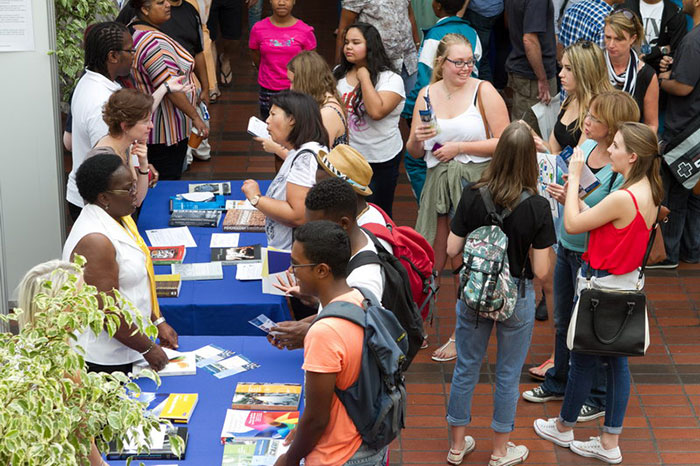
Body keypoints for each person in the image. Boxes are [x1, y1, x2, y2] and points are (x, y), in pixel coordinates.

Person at [534, 122, 662, 465]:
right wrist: (575, 200)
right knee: (610, 363)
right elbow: (600, 222)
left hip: (601, 286)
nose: (611, 150)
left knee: (586, 358)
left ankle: (572, 429)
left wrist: (574, 176)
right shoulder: (646, 188)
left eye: (617, 146)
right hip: (623, 284)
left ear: (632, 157)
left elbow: (573, 225)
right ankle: (603, 438)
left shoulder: (624, 195)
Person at [523, 91, 640, 423]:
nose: (586, 122)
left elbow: (604, 219)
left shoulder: (619, 171)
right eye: (587, 114)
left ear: (613, 126)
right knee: (562, 322)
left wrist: (571, 196)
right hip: (568, 245)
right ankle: (558, 380)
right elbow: (575, 189)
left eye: (595, 118)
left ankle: (597, 396)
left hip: (592, 256)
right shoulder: (585, 147)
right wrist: (564, 187)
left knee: (590, 331)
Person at [445, 121, 556, 466]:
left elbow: (451, 248)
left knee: (466, 367)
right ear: (529, 161)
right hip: (517, 296)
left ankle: (456, 446)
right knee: (507, 375)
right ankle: (499, 450)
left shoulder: (473, 194)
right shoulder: (537, 206)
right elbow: (540, 271)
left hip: (475, 293)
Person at [406, 33, 509, 362]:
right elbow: (412, 149)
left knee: (466, 260)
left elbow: (505, 141)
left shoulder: (484, 91)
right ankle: (419, 322)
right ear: (441, 63)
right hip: (438, 183)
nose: (467, 68)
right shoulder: (426, 94)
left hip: (475, 186)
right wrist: (418, 140)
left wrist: (460, 147)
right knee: (429, 257)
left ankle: (461, 333)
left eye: (470, 62)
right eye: (459, 62)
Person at [272, 221, 387, 466]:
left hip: (340, 455)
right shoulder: (360, 298)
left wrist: (289, 460)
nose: (292, 271)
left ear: (322, 270)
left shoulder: (324, 332)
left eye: (296, 265)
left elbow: (316, 418)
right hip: (367, 442)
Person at [62, 153, 178, 374]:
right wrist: (148, 348)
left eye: (134, 185)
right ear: (104, 197)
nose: (135, 194)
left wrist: (157, 320)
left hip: (128, 349)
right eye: (128, 189)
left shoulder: (119, 217)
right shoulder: (95, 241)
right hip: (103, 361)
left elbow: (135, 284)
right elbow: (107, 310)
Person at [264, 177, 390, 351]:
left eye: (317, 225)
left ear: (343, 223)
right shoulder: (346, 248)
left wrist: (309, 331)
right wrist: (316, 302)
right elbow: (341, 307)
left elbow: (358, 330)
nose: (310, 232)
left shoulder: (363, 276)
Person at [16, 261, 111, 466]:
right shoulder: (64, 367)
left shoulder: (21, 351)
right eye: (81, 295)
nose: (89, 302)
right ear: (58, 305)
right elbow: (83, 444)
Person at [403, 0, 482, 202]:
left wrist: (409, 111)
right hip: (468, 109)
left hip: (438, 111)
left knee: (415, 161)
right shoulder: (473, 33)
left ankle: (427, 204)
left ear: (436, 6)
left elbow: (422, 79)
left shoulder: (434, 37)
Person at [128, 0, 209, 180]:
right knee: (164, 182)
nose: (168, 5)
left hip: (152, 127)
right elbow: (170, 87)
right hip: (164, 132)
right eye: (160, 2)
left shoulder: (135, 30)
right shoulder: (154, 42)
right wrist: (195, 117)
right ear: (144, 9)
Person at [241, 90, 328, 251]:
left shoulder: (305, 159)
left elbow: (297, 215)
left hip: (290, 256)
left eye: (273, 114)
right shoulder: (301, 150)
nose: (267, 121)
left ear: (292, 119)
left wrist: (256, 198)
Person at [334, 23, 406, 217]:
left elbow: (376, 111)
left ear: (371, 46)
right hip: (346, 159)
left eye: (356, 42)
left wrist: (364, 77)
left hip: (380, 159)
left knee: (377, 214)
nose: (348, 47)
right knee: (347, 213)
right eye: (346, 42)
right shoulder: (338, 74)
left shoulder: (390, 79)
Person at [67, 22, 134, 222]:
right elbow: (107, 165)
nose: (134, 55)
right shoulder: (101, 104)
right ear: (113, 56)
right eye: (130, 50)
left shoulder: (90, 81)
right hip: (101, 205)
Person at [653, 0, 700, 269]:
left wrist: (659, 80)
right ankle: (690, 251)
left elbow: (683, 87)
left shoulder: (694, 40)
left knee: (674, 195)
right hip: (693, 127)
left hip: (684, 129)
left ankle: (668, 254)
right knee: (689, 194)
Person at [537, 41, 614, 154]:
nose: (560, 74)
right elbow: (553, 149)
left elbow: (578, 158)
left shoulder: (598, 110)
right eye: (562, 67)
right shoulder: (570, 99)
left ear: (585, 72)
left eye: (568, 69)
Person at [87, 89, 157, 208]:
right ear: (125, 126)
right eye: (145, 122)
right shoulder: (104, 160)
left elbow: (137, 200)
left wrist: (143, 165)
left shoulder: (125, 147)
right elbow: (131, 203)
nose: (151, 126)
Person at [249, 0, 316, 123]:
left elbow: (311, 62)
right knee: (268, 127)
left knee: (295, 129)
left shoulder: (305, 30)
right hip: (268, 88)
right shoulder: (258, 28)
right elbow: (255, 54)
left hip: (296, 90)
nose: (281, 2)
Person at [336, 0, 420, 96]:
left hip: (408, 61)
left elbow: (410, 16)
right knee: (381, 106)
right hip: (377, 64)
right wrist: (340, 65)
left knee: (412, 105)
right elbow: (344, 29)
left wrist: (417, 45)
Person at [505, 0, 558, 136]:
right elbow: (529, 39)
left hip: (524, 71)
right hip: (533, 78)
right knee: (527, 136)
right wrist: (542, 78)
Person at [603, 9, 659, 131]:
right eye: (608, 37)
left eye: (618, 39)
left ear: (633, 39)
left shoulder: (646, 75)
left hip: (627, 144)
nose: (611, 44)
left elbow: (651, 125)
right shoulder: (596, 64)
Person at [287, 51, 348, 148]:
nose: (291, 88)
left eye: (293, 82)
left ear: (306, 82)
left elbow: (314, 156)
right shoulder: (318, 101)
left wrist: (276, 148)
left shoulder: (328, 113)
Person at [616, 0, 687, 73]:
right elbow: (615, 42)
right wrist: (659, 50)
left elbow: (677, 50)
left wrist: (667, 61)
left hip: (658, 74)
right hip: (625, 71)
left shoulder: (675, 12)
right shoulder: (624, 7)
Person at [461, 0, 502, 83]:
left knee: (480, 57)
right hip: (496, 9)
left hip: (479, 12)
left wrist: (459, 14)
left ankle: (487, 92)